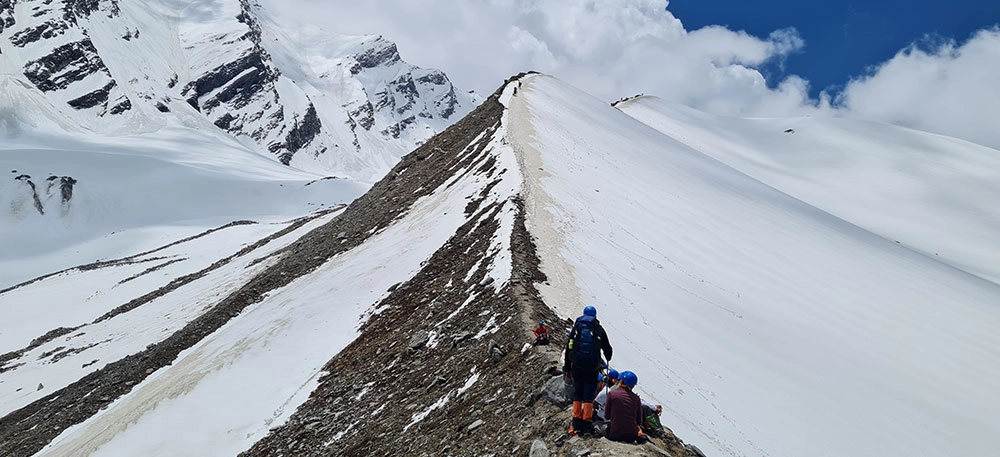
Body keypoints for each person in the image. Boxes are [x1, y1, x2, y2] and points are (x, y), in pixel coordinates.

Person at [563, 305, 613, 435]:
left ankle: (576, 424)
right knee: (588, 397)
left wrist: (567, 367)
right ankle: (586, 424)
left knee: (577, 395)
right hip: (592, 368)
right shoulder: (598, 329)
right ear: (595, 315)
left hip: (577, 367)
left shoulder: (577, 329)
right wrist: (608, 356)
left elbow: (569, 348)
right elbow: (607, 348)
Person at [605, 370, 647, 443]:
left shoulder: (612, 394)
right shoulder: (636, 398)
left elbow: (607, 416)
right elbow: (639, 421)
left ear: (621, 381)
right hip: (631, 437)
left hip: (614, 434)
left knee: (597, 425)